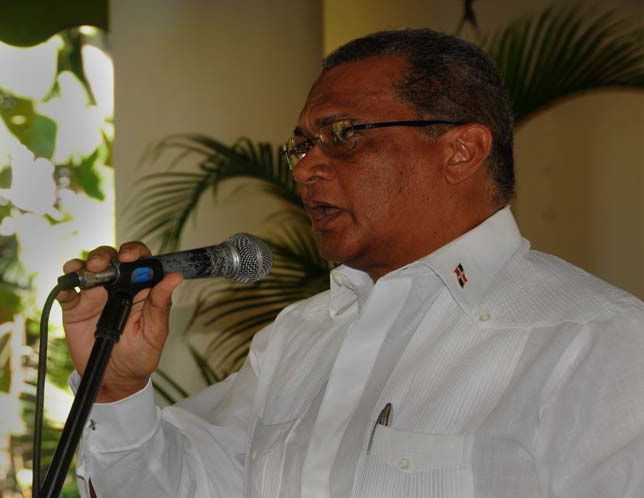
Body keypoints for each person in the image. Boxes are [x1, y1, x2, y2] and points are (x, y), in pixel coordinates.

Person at [59, 29, 644, 498]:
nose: (305, 168)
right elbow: (185, 485)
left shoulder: (595, 340)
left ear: (461, 151)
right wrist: (117, 388)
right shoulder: (297, 337)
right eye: (302, 145)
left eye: (343, 134)